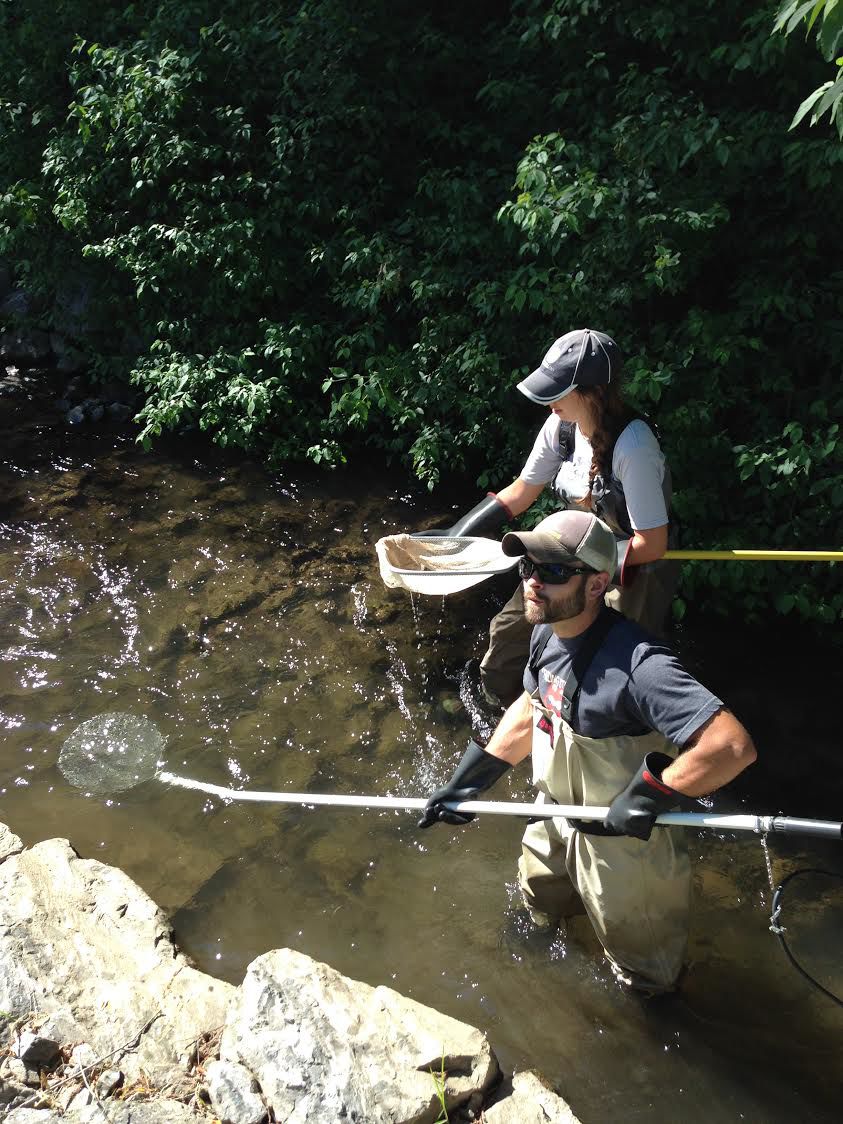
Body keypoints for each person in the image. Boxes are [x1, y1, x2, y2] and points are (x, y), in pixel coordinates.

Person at [419, 510, 756, 995]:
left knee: (648, 978)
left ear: (597, 585)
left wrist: (648, 796)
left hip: (622, 848)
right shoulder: (545, 630)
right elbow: (534, 705)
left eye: (553, 572)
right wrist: (471, 779)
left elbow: (731, 745)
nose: (534, 583)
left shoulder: (641, 665)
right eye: (529, 567)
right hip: (554, 815)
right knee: (538, 901)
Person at [421, 328, 678, 709]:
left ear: (593, 392)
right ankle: (499, 710)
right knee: (509, 630)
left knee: (609, 662)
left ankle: (592, 732)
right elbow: (523, 490)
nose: (549, 403)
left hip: (631, 565)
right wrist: (458, 535)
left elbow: (652, 542)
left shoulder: (635, 447)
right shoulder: (561, 427)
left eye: (558, 391)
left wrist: (584, 566)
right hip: (572, 550)